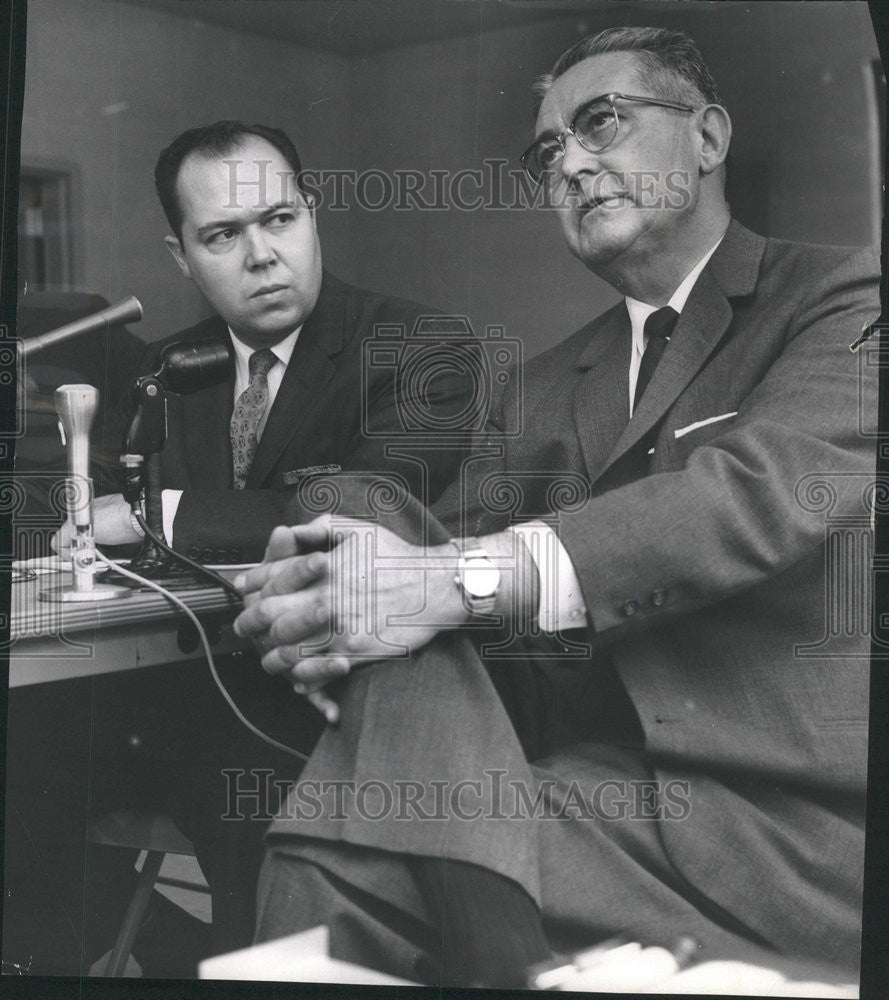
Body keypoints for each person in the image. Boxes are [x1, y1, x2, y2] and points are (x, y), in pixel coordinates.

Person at [233, 27, 881, 987]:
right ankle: (504, 948)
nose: (570, 164)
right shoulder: (538, 384)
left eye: (601, 122)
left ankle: (490, 933)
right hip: (595, 796)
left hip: (789, 831)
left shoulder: (842, 300)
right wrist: (335, 576)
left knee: (335, 840)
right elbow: (422, 556)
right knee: (361, 513)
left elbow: (750, 501)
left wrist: (448, 582)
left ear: (707, 138)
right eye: (547, 152)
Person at [43, 121, 474, 967]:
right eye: (223, 236)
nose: (262, 255)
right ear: (181, 257)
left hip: (324, 708)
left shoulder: (419, 347)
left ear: (313, 214)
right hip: (165, 701)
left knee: (246, 815)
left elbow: (363, 504)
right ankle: (153, 958)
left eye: (279, 219)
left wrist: (148, 515)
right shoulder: (161, 369)